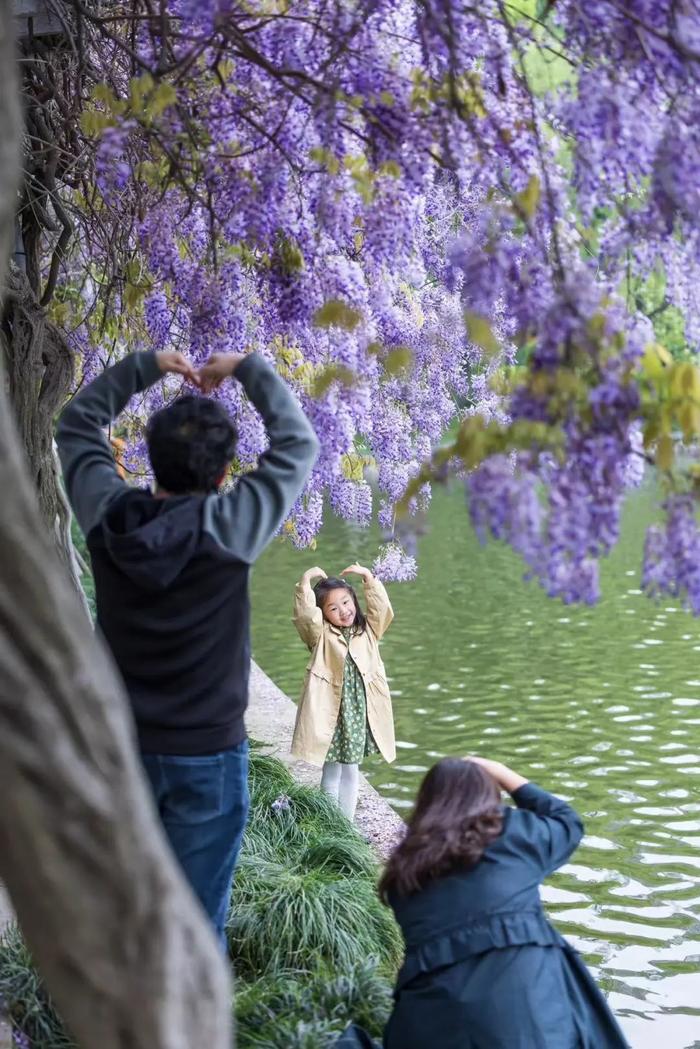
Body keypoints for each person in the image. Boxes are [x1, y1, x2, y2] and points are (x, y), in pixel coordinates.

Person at [56, 348, 318, 945]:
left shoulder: (108, 515)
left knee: (119, 912)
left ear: (148, 460)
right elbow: (299, 445)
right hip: (207, 757)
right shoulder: (233, 525)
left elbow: (75, 425)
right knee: (196, 928)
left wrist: (145, 366)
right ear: (226, 473)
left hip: (117, 749)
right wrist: (247, 366)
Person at [376, 757, 629, 1049]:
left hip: (429, 1020)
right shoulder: (511, 832)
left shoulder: (405, 868)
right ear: (488, 795)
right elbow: (567, 821)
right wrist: (504, 774)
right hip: (526, 1010)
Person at [290, 564, 395, 820]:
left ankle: (346, 827)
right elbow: (305, 618)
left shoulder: (368, 630)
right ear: (324, 614)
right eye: (333, 608)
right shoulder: (320, 636)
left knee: (351, 769)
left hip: (357, 712)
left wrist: (369, 580)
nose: (343, 611)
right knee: (331, 770)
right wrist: (304, 583)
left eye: (346, 603)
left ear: (354, 600)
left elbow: (382, 610)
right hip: (331, 712)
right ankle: (330, 823)